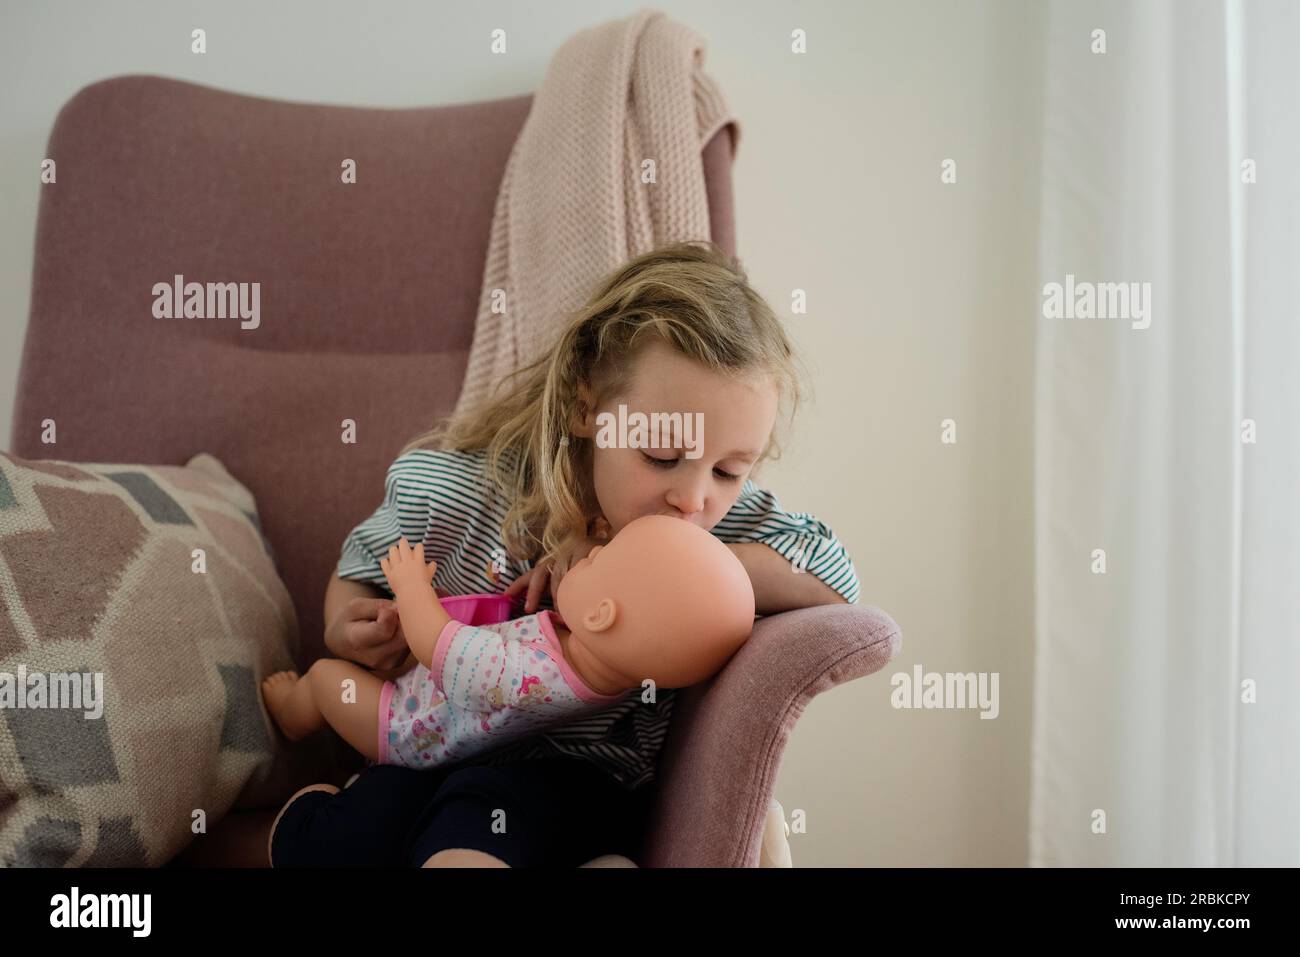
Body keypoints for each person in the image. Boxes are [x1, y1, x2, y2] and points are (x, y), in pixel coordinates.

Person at [268, 240, 860, 868]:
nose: (693, 498)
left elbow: (832, 575)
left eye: (729, 469)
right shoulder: (455, 493)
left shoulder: (710, 519)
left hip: (581, 784)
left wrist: (671, 564)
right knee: (347, 839)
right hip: (429, 749)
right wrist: (348, 625)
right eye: (661, 456)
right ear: (588, 410)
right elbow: (356, 575)